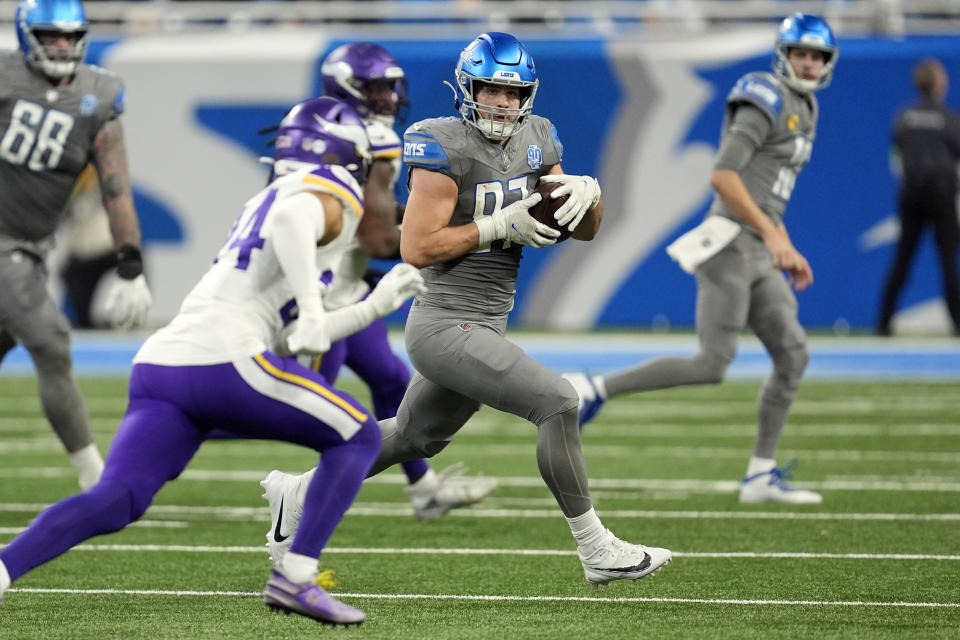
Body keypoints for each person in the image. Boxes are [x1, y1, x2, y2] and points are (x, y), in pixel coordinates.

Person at [264, 32, 672, 587]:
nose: (503, 103)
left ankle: (298, 492)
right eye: (491, 90)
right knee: (558, 402)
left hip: (486, 318)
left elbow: (581, 230)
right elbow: (416, 247)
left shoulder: (538, 136)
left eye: (513, 93)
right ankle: (597, 549)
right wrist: (499, 225)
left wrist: (588, 195)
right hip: (441, 323)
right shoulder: (439, 142)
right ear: (467, 87)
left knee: (413, 437)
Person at [0, 96, 428, 626]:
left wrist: (372, 306)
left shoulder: (271, 198)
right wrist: (319, 304)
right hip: (224, 357)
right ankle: (295, 577)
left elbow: (297, 338)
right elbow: (298, 224)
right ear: (347, 157)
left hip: (163, 364)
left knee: (119, 498)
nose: (377, 185)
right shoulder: (321, 190)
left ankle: (1, 570)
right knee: (360, 434)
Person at [564, 13, 838, 505]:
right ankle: (593, 386)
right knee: (713, 363)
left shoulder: (806, 107)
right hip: (731, 245)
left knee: (794, 354)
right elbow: (724, 177)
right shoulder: (765, 95)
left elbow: (764, 188)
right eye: (801, 53)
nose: (809, 63)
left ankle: (759, 475)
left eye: (817, 56)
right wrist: (776, 236)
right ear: (783, 53)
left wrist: (779, 240)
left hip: (757, 245)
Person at [259, 43, 496, 545]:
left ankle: (424, 492)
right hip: (320, 296)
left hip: (344, 286)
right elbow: (381, 239)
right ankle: (292, 513)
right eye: (376, 88)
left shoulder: (316, 128)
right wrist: (459, 237)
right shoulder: (373, 143)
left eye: (391, 86)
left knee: (391, 381)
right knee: (291, 408)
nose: (388, 96)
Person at [0, 0, 152, 491]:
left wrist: (130, 263)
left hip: (34, 245)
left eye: (71, 35)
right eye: (51, 35)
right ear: (28, 36)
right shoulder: (5, 79)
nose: (63, 44)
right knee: (50, 340)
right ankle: (96, 482)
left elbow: (116, 186)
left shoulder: (98, 93)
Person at [876, 58, 960, 337]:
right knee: (948, 260)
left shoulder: (904, 117)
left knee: (902, 259)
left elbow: (895, 156)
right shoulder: (949, 119)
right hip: (942, 195)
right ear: (937, 84)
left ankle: (883, 323)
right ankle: (957, 324)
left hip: (911, 194)